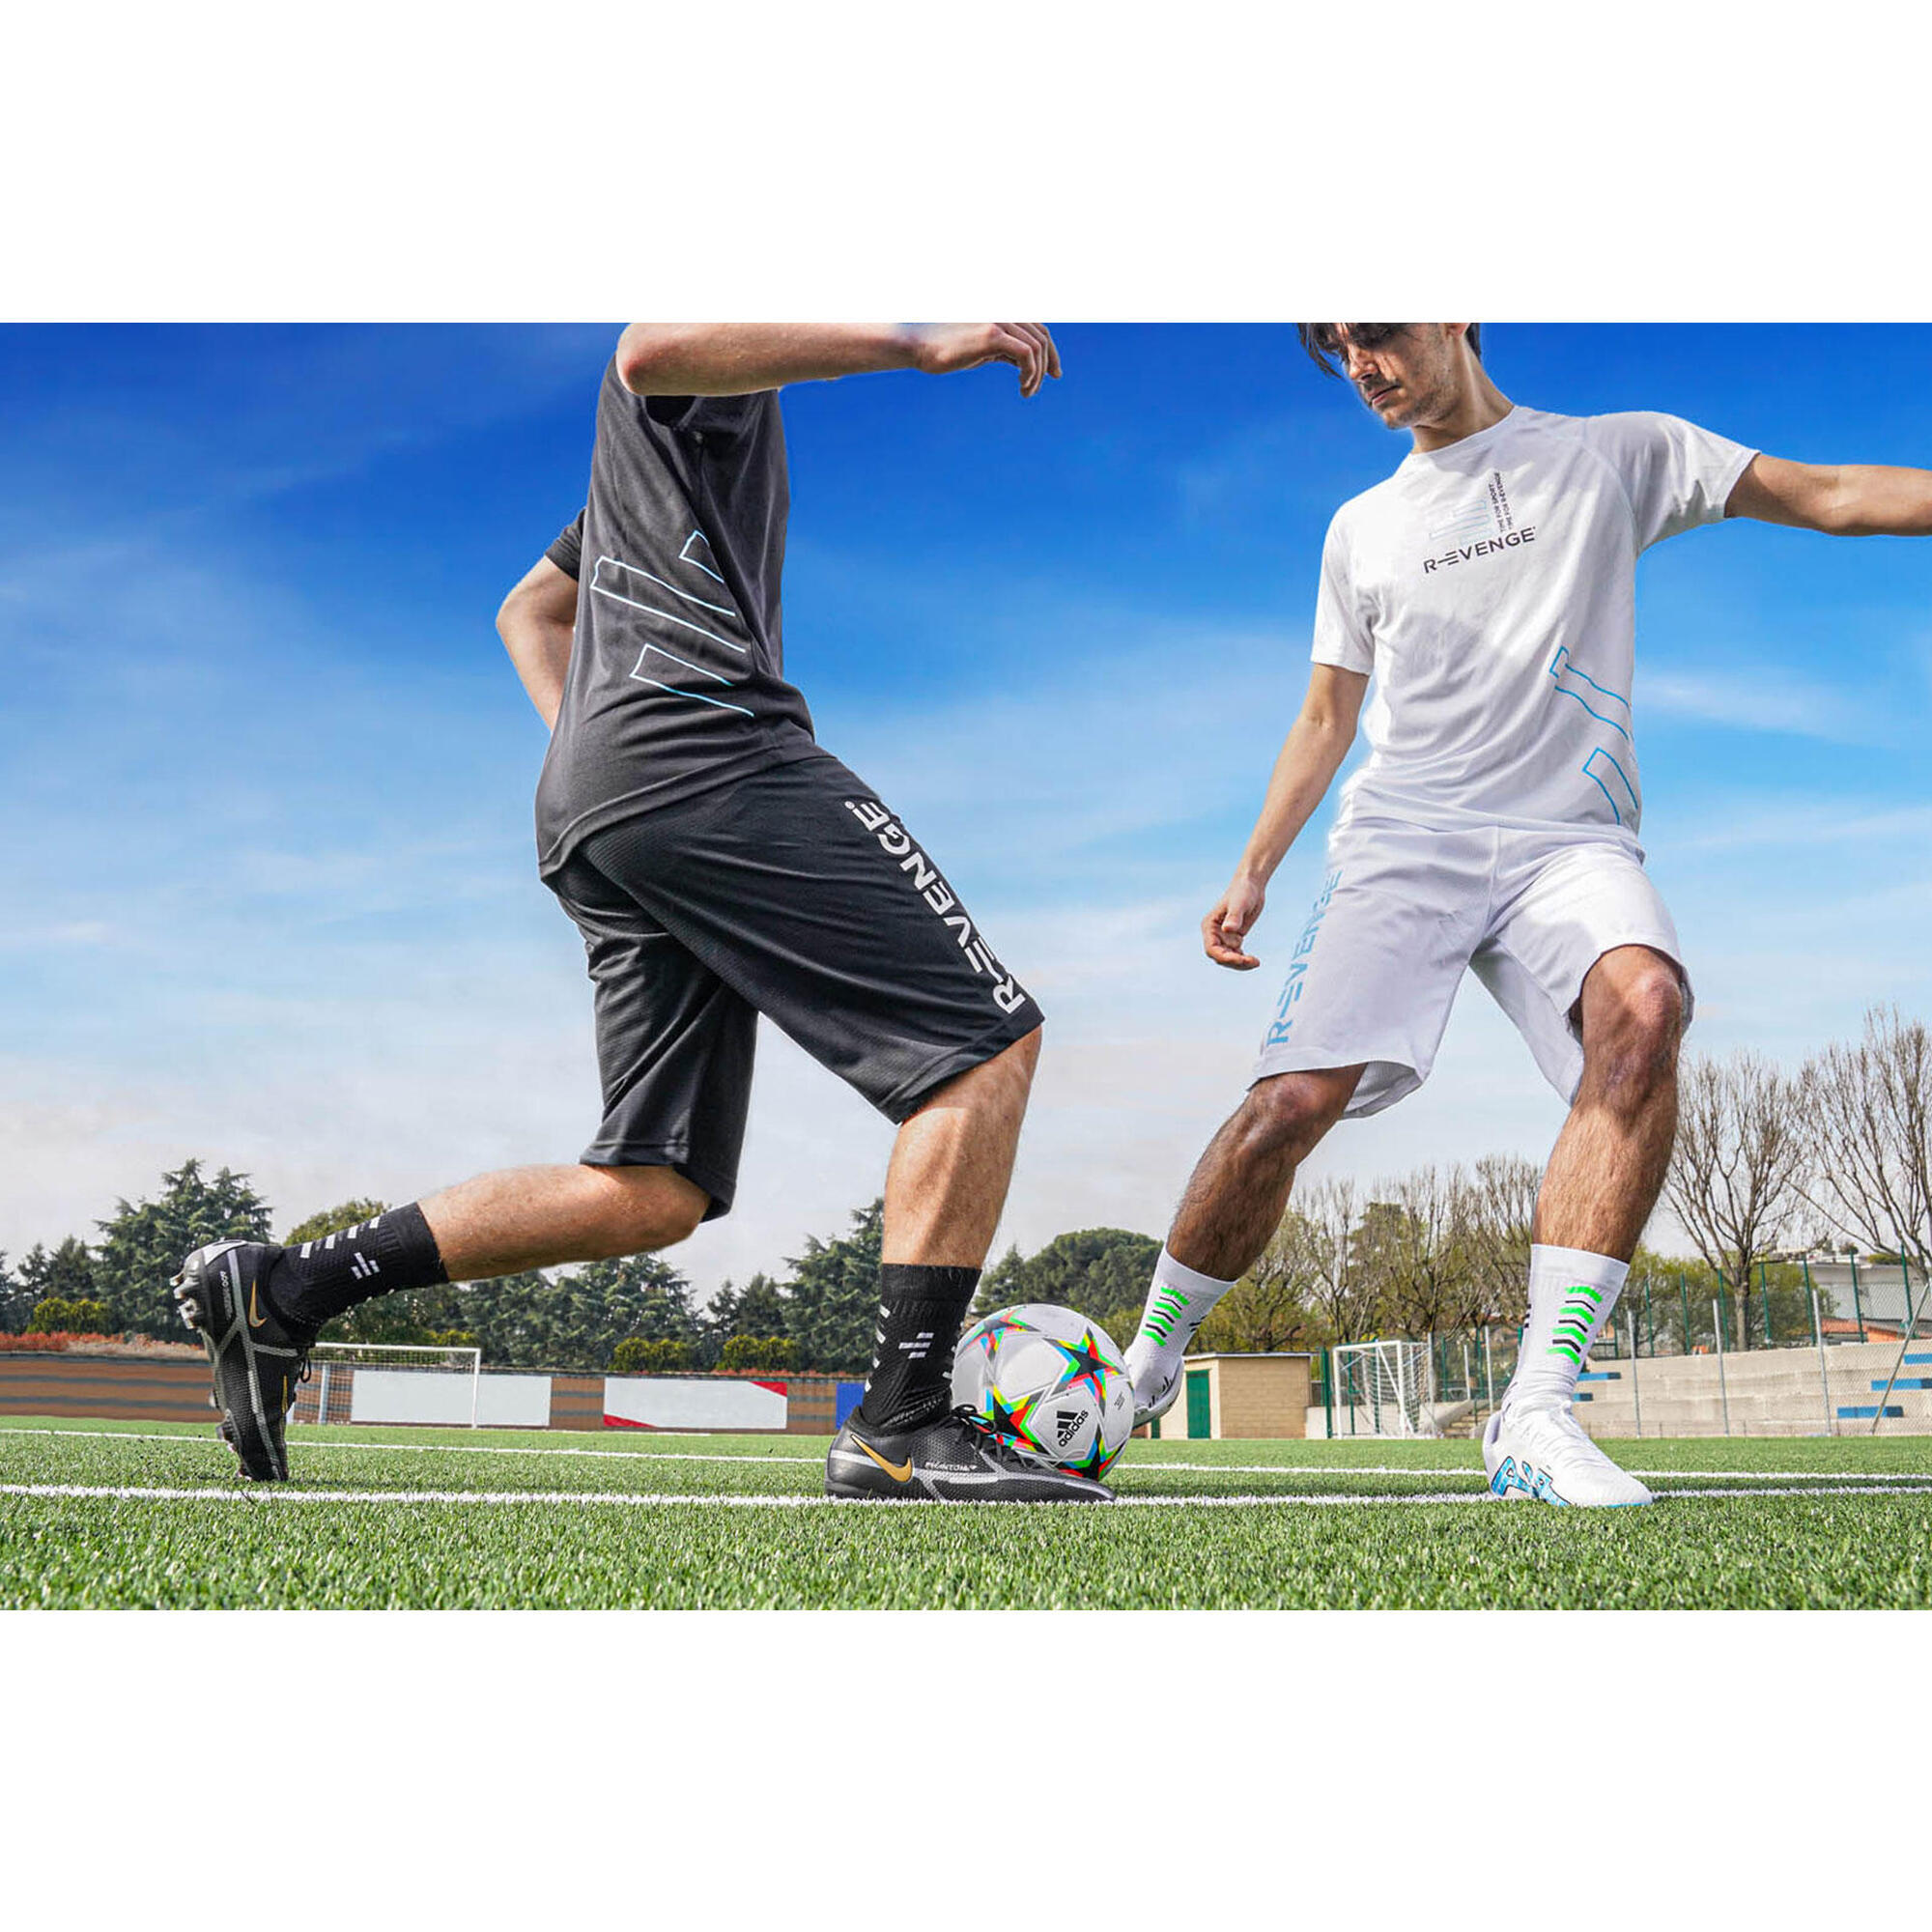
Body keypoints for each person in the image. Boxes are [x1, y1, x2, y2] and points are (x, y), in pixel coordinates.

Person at [174, 323, 1111, 1503]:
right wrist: (915, 342)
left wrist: (594, 750)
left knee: (651, 1190)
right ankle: (901, 1419)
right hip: (709, 757)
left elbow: (528, 610)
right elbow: (648, 342)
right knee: (980, 1049)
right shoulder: (701, 356)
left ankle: (290, 1286)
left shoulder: (652, 477)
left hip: (603, 802)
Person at [1121, 323, 1932, 1505]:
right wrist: (1252, 867)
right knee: (1285, 1108)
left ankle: (1535, 1411)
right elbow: (1322, 717)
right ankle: (1142, 1367)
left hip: (1569, 840)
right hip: (1404, 841)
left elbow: (1828, 492)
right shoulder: (1360, 528)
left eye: (1378, 330)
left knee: (1644, 1006)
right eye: (1335, 344)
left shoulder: (1613, 455)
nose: (1360, 362)